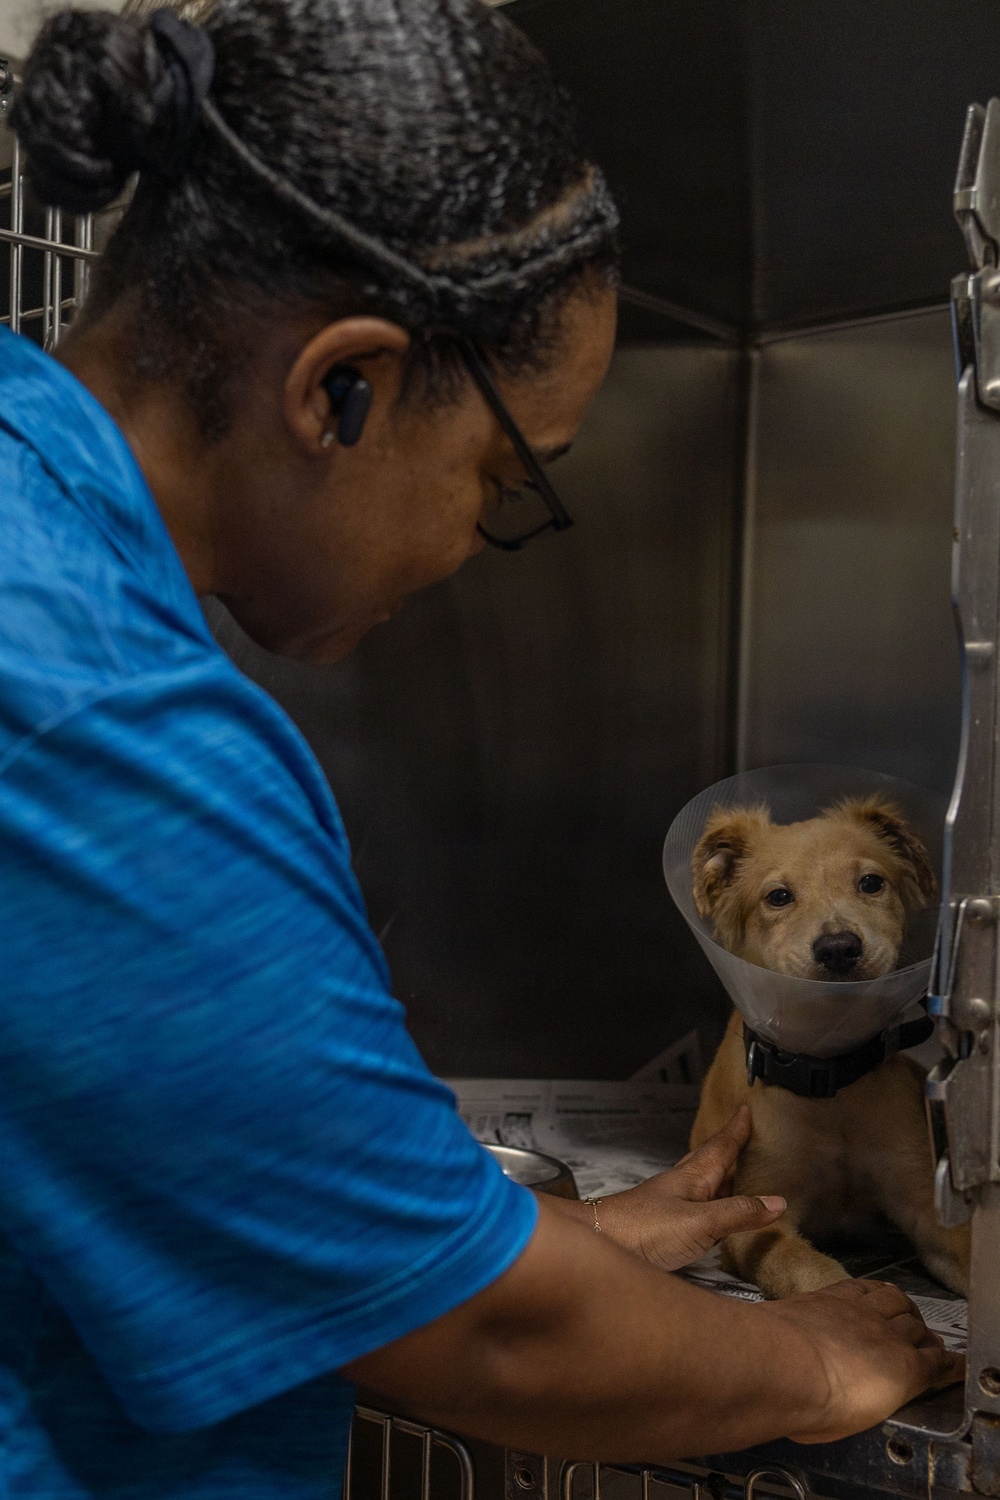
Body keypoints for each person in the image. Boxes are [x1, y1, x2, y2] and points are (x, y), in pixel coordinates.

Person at [0, 1, 960, 1495]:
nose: (470, 547)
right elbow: (491, 1342)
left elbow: (153, 1147)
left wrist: (535, 1234)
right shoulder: (106, 720)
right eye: (501, 480)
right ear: (342, 388)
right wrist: (822, 1358)